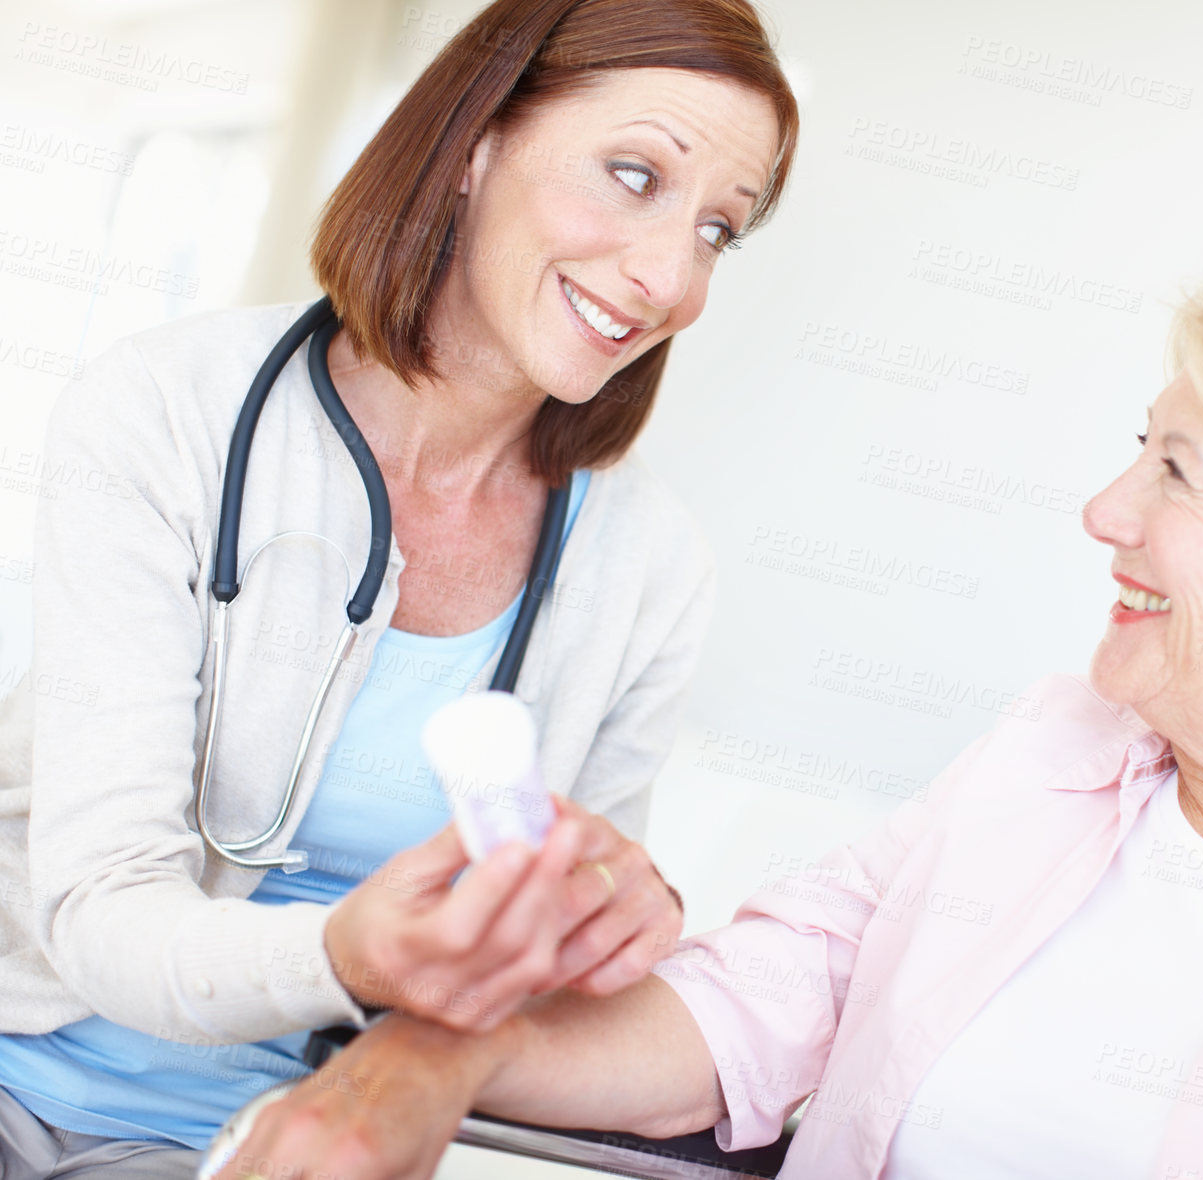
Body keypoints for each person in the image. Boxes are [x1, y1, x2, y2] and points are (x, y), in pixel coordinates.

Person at [217, 235, 1203, 1180]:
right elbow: (746, 1011)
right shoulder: (1051, 758)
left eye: (1177, 473)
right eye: (1140, 447)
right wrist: (433, 1049)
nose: (1105, 509)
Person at [0, 0, 797, 1174]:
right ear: (476, 142)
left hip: (285, 1141)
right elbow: (98, 908)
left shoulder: (647, 568)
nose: (670, 275)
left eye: (720, 230)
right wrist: (346, 954)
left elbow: (543, 982)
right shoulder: (165, 411)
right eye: (634, 175)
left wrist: (606, 920)